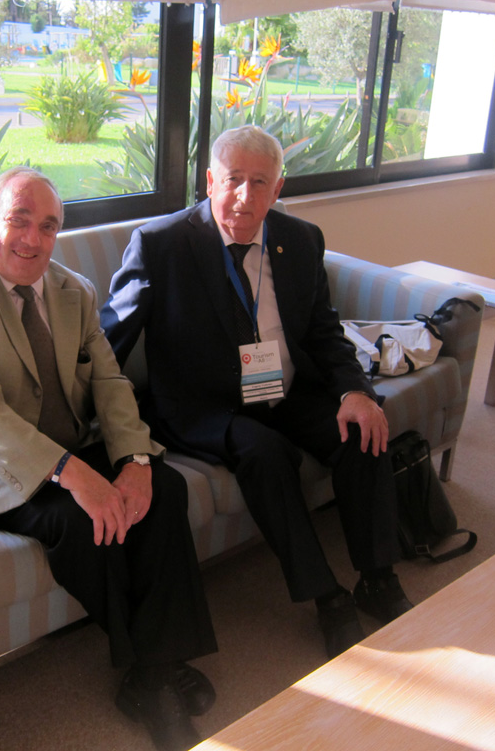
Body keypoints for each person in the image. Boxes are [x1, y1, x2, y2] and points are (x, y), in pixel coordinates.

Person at [0, 166, 217, 751]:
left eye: (48, 227)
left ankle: (150, 673)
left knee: (163, 488)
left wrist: (134, 461)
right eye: (18, 220)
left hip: (66, 441)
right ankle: (156, 672)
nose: (33, 239)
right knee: (77, 519)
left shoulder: (73, 291)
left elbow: (110, 382)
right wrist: (76, 476)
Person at [100, 126, 412, 660]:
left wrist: (354, 390)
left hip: (285, 390)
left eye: (260, 182)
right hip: (202, 406)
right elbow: (109, 342)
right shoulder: (160, 244)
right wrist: (86, 413)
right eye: (233, 180)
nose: (244, 196)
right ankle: (326, 595)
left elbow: (323, 330)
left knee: (364, 429)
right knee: (266, 454)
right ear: (210, 182)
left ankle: (377, 576)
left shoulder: (302, 239)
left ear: (277, 188)